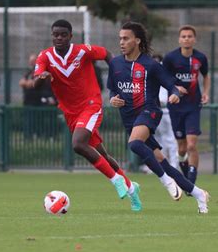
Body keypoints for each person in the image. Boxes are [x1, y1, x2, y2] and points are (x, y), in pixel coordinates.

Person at [33, 19, 142, 211]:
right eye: (55, 34)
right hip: (70, 112)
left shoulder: (83, 51)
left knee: (78, 144)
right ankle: (132, 189)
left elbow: (107, 54)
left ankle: (116, 180)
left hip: (91, 105)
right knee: (103, 155)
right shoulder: (45, 57)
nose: (58, 38)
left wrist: (118, 74)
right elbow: (36, 83)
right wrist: (42, 78)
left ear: (70, 36)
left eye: (63, 34)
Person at [107, 21, 210, 214]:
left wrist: (174, 94)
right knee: (160, 160)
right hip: (129, 119)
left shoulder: (150, 65)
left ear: (137, 41)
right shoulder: (115, 63)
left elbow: (173, 85)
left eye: (126, 38)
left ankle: (166, 181)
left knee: (135, 144)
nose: (121, 42)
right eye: (120, 38)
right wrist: (113, 99)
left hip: (149, 112)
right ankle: (198, 194)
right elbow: (112, 88)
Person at [162, 25, 210, 186]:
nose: (186, 39)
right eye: (183, 36)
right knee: (181, 148)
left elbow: (206, 75)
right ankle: (184, 166)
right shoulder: (170, 58)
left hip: (193, 106)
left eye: (189, 36)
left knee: (191, 145)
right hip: (175, 107)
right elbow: (163, 78)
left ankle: (191, 181)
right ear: (179, 39)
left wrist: (206, 92)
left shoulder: (200, 58)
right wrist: (174, 88)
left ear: (194, 39)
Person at [19, 54, 57, 139]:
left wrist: (29, 83)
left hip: (38, 101)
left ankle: (45, 136)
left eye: (33, 61)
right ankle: (28, 137)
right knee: (28, 120)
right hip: (28, 101)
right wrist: (27, 83)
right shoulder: (29, 72)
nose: (32, 63)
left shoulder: (42, 71)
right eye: (30, 61)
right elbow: (22, 82)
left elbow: (33, 83)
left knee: (39, 120)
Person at [152, 54, 179, 170]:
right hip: (154, 110)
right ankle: (161, 164)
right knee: (157, 139)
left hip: (166, 109)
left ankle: (173, 164)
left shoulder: (164, 73)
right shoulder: (151, 73)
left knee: (169, 138)